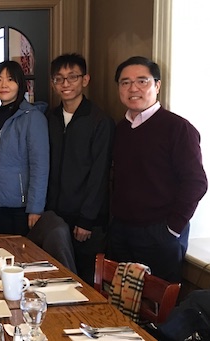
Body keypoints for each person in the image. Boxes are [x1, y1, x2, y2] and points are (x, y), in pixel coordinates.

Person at [107, 56, 207, 283]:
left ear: (157, 85)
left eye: (142, 81)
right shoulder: (121, 129)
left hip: (159, 233)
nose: (133, 88)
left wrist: (172, 228)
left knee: (158, 309)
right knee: (120, 304)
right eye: (125, 82)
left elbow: (196, 182)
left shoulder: (178, 128)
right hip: (122, 230)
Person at [45, 53, 115, 285]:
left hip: (86, 220)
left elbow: (100, 173)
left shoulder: (99, 121)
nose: (66, 84)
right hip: (56, 216)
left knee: (83, 283)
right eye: (59, 78)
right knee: (55, 278)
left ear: (85, 80)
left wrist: (87, 219)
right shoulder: (49, 118)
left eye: (72, 77)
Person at [0, 60, 49, 235]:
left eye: (10, 79)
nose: (4, 85)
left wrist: (35, 207)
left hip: (23, 207)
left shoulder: (32, 118)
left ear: (20, 84)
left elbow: (40, 166)